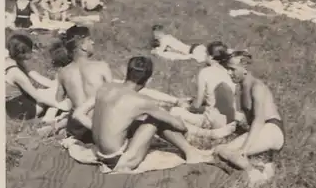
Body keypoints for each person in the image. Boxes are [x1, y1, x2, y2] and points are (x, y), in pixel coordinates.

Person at [72, 56, 213, 171]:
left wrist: (101, 129)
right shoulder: (142, 101)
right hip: (119, 160)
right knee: (155, 119)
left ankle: (193, 150)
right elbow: (180, 126)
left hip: (100, 153)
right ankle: (190, 152)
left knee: (135, 121)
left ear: (127, 72)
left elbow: (78, 114)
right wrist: (176, 120)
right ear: (148, 80)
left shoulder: (104, 88)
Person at [214, 59, 285, 185]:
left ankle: (257, 174)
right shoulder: (240, 88)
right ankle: (261, 164)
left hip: (272, 129)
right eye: (228, 69)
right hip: (264, 129)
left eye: (233, 69)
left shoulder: (257, 87)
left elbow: (259, 120)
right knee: (221, 150)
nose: (229, 73)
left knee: (223, 151)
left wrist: (244, 149)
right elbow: (249, 119)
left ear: (245, 68)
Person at [52, 25, 113, 143]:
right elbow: (113, 97)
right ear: (83, 46)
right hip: (99, 127)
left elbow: (58, 99)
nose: (93, 42)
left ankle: (61, 125)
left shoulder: (63, 72)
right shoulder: (101, 66)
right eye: (90, 40)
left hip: (77, 129)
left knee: (71, 112)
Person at [170, 42, 243, 131]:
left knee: (174, 111)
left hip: (214, 122)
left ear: (211, 57)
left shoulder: (205, 72)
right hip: (230, 122)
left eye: (206, 54)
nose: (205, 56)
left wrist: (186, 106)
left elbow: (197, 105)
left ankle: (197, 131)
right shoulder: (229, 72)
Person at [5, 34, 71, 120]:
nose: (32, 52)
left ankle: (50, 113)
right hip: (20, 111)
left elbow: (36, 76)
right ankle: (50, 116)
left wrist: (57, 84)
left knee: (54, 90)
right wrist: (60, 105)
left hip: (16, 103)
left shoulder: (12, 61)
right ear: (22, 52)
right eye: (30, 50)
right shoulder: (16, 73)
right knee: (54, 94)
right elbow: (38, 98)